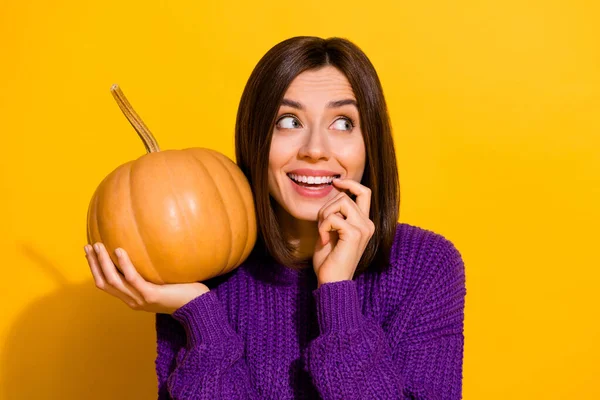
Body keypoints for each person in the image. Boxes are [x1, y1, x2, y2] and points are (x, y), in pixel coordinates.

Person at [84, 36, 467, 399]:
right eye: (288, 121)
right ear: (255, 137)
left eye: (343, 123)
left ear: (371, 143)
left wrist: (337, 294)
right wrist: (201, 318)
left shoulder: (426, 265)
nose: (315, 149)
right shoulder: (196, 265)